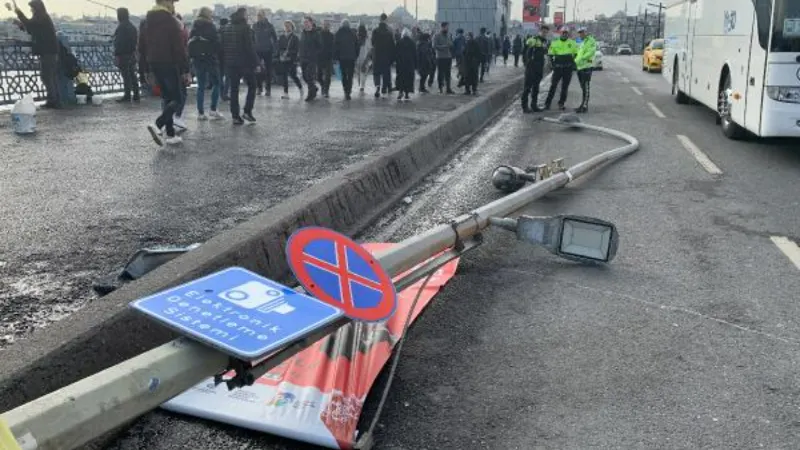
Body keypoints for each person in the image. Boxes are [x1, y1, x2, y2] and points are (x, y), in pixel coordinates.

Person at [140, 0, 188, 146]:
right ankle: (158, 124)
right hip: (169, 62)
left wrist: (145, 70)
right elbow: (179, 48)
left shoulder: (146, 21)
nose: (174, 5)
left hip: (153, 63)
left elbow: (141, 47)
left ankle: (171, 134)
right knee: (177, 99)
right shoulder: (171, 22)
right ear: (167, 3)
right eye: (172, 2)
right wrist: (185, 69)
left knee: (167, 98)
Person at [9, 0, 60, 108]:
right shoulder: (42, 17)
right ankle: (55, 99)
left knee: (46, 76)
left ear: (37, 8)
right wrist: (19, 24)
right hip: (49, 51)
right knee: (49, 76)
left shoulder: (41, 17)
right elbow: (31, 29)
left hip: (48, 51)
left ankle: (53, 101)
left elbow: (30, 25)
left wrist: (17, 11)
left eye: (32, 8)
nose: (31, 10)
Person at [220, 7, 258, 124]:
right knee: (252, 85)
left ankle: (235, 116)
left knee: (234, 89)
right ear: (243, 15)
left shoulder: (226, 28)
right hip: (245, 63)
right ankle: (247, 111)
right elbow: (249, 48)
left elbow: (222, 47)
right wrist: (256, 63)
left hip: (230, 64)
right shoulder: (245, 28)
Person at [188, 6, 222, 120]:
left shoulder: (194, 26)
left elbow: (190, 42)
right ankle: (213, 110)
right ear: (208, 15)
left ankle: (200, 113)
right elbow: (217, 43)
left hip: (197, 59)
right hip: (210, 58)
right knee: (217, 83)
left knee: (201, 86)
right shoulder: (211, 26)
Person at [544, 27, 578, 111]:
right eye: (563, 33)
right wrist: (551, 65)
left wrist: (574, 64)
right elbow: (550, 55)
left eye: (566, 33)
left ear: (568, 34)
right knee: (553, 86)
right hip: (558, 68)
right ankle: (547, 104)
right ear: (560, 33)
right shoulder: (554, 43)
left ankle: (561, 103)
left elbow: (577, 54)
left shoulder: (573, 43)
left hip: (568, 68)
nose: (564, 34)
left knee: (564, 87)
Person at [113, 7, 139, 103]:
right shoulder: (132, 27)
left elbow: (119, 42)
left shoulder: (121, 27)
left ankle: (127, 96)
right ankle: (136, 95)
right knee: (133, 75)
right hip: (132, 54)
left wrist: (116, 54)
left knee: (126, 76)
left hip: (123, 55)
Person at [521, 25, 549, 113]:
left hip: (539, 68)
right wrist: (526, 63)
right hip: (531, 68)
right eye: (543, 31)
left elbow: (545, 53)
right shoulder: (533, 40)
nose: (544, 33)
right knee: (527, 88)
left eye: (546, 32)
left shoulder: (544, 42)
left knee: (536, 88)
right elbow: (525, 51)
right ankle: (525, 107)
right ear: (539, 31)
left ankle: (534, 105)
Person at [253, 10, 277, 97]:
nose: (258, 17)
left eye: (260, 15)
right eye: (258, 15)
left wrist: (274, 50)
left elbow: (275, 39)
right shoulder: (254, 25)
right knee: (257, 70)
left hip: (268, 51)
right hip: (257, 51)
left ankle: (268, 89)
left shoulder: (270, 26)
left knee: (268, 71)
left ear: (264, 16)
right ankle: (259, 88)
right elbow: (252, 37)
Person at [333, 19, 358, 100]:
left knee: (343, 75)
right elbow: (357, 46)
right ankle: (349, 91)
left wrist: (336, 57)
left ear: (341, 25)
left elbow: (335, 46)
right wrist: (355, 55)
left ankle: (345, 90)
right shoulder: (353, 33)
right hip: (351, 58)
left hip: (342, 58)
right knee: (350, 75)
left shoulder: (338, 33)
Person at [277, 20, 303, 99]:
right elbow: (278, 47)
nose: (287, 27)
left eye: (289, 26)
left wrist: (289, 53)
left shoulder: (295, 38)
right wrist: (281, 54)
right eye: (286, 26)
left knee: (293, 75)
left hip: (292, 59)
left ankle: (300, 88)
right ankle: (286, 93)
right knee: (284, 75)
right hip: (284, 59)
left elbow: (297, 49)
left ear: (292, 27)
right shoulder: (281, 37)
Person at [371, 13, 395, 98]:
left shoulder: (375, 31)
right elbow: (392, 46)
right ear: (386, 20)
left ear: (380, 19)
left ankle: (377, 86)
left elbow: (372, 42)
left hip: (377, 55)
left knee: (376, 73)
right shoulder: (389, 32)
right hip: (386, 56)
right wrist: (392, 58)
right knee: (385, 73)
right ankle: (384, 89)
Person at [574, 27, 596, 113]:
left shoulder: (591, 40)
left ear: (586, 32)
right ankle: (582, 104)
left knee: (586, 87)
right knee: (583, 87)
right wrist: (576, 61)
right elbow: (578, 53)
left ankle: (585, 106)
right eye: (579, 33)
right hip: (580, 67)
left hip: (587, 66)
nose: (580, 34)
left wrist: (581, 59)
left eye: (582, 32)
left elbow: (591, 52)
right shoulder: (580, 42)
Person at [299, 16, 321, 101]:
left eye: (307, 22)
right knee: (304, 76)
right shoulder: (303, 33)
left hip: (312, 59)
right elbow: (301, 45)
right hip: (303, 58)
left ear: (311, 23)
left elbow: (320, 46)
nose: (305, 24)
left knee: (309, 76)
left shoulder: (316, 33)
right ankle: (314, 88)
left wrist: (314, 54)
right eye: (304, 22)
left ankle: (310, 95)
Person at [395, 28, 416, 101]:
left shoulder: (399, 42)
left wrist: (396, 62)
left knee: (401, 78)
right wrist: (415, 64)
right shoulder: (412, 42)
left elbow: (396, 53)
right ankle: (407, 94)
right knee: (408, 78)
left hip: (401, 63)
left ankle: (400, 92)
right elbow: (415, 54)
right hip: (410, 64)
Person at [433, 22, 454, 94]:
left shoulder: (449, 35)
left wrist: (450, 44)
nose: (447, 28)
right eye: (446, 27)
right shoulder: (437, 35)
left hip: (448, 57)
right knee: (440, 73)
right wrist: (444, 46)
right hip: (440, 57)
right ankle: (440, 88)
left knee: (448, 73)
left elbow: (451, 43)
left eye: (448, 27)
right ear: (442, 27)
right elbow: (434, 46)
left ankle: (448, 88)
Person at [317, 20, 335, 98]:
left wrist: (333, 56)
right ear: (322, 25)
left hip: (328, 58)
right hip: (319, 58)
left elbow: (334, 46)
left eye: (327, 25)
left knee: (328, 76)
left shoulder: (332, 35)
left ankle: (326, 91)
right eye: (324, 25)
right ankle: (323, 86)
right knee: (318, 76)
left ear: (329, 26)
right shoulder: (318, 34)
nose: (326, 26)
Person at [462, 31, 481, 96]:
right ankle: (473, 90)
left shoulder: (468, 43)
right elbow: (479, 53)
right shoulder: (475, 43)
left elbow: (465, 52)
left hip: (469, 62)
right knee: (473, 76)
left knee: (468, 76)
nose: (466, 37)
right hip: (473, 63)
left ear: (469, 36)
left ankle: (468, 90)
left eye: (467, 36)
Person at [355, 23, 372, 94]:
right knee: (364, 73)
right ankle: (362, 86)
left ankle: (360, 84)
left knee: (359, 72)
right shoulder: (367, 38)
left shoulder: (356, 38)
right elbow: (370, 49)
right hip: (365, 58)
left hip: (357, 58)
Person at [218, 17, 230, 101]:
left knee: (220, 76)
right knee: (228, 76)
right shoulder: (228, 32)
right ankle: (225, 93)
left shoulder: (216, 31)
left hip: (218, 56)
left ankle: (221, 93)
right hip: (227, 56)